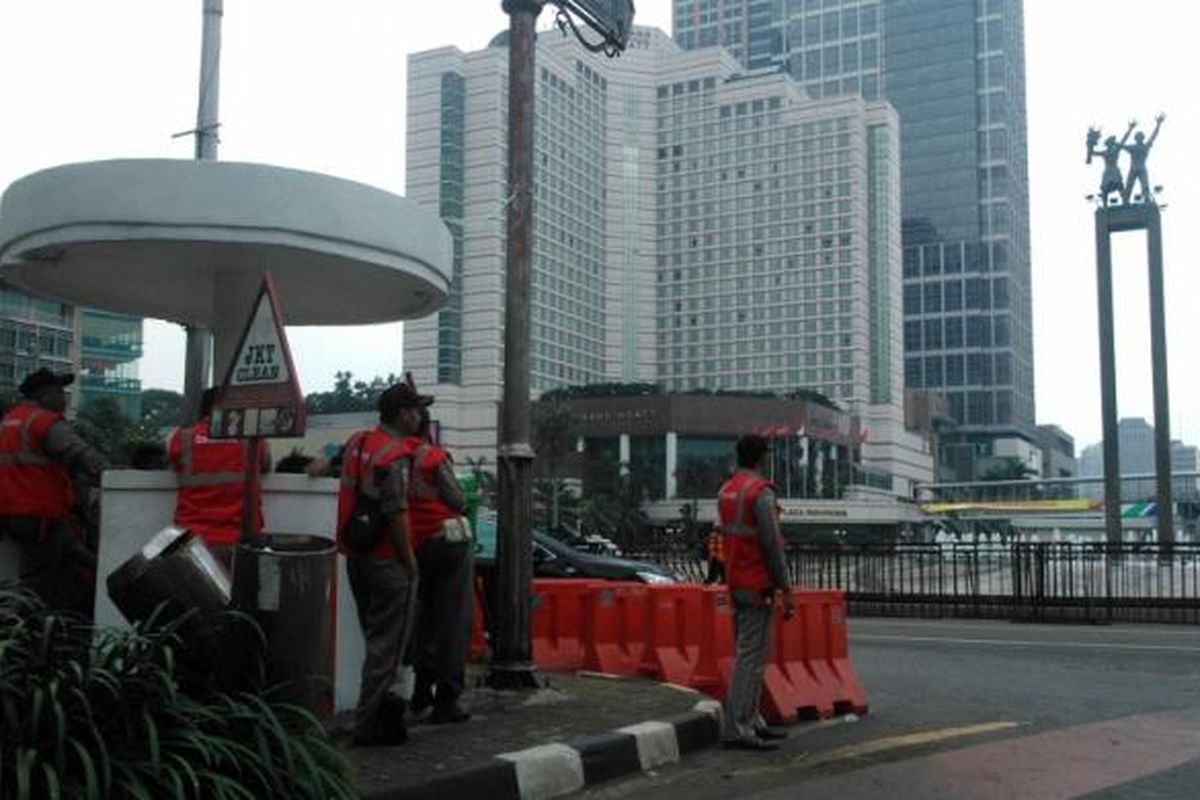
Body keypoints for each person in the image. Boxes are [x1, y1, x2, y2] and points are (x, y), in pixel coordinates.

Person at [336, 381, 423, 746]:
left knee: (375, 640)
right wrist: (411, 562)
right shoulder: (395, 454)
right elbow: (397, 512)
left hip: (356, 556)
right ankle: (366, 725)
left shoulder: (357, 442)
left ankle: (387, 720)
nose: (419, 417)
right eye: (416, 410)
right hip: (388, 562)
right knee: (386, 650)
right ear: (403, 413)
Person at [0, 369, 106, 616]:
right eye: (60, 392)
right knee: (40, 587)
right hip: (40, 516)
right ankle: (37, 641)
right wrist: (113, 476)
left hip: (14, 516)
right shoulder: (43, 422)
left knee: (71, 561)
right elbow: (82, 455)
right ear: (45, 394)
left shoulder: (9, 421)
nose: (63, 398)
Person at [715, 434, 794, 751]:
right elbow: (773, 546)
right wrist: (786, 588)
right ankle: (739, 727)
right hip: (757, 582)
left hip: (735, 580)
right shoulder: (759, 493)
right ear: (762, 457)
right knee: (751, 659)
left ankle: (753, 719)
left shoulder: (726, 490)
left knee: (751, 655)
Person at [403, 403, 472, 724]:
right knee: (452, 620)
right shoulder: (432, 456)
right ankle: (447, 698)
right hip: (446, 543)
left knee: (421, 618)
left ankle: (420, 690)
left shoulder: (391, 456)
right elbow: (458, 500)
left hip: (408, 546)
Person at [166, 388, 270, 566]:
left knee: (195, 594)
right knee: (240, 593)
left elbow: (170, 462)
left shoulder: (181, 437)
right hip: (242, 543)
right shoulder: (253, 439)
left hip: (192, 542)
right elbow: (266, 465)